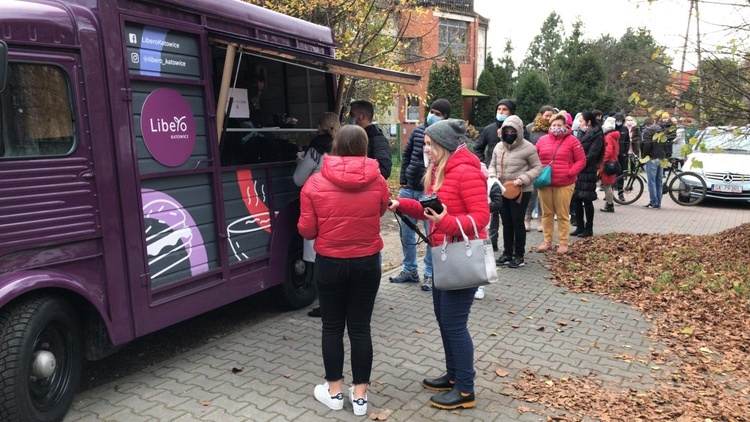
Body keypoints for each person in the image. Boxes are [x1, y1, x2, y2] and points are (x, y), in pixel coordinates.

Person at [388, 118, 489, 410]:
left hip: (461, 256)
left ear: (443, 145)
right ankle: (454, 375)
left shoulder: (466, 172)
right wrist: (400, 205)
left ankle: (466, 390)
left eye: (429, 145)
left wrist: (444, 222)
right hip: (442, 254)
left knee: (455, 325)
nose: (425, 149)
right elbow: (427, 207)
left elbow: (480, 218)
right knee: (445, 321)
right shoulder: (438, 171)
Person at [298, 125, 390, 416]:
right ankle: (360, 397)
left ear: (335, 145)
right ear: (365, 147)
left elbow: (308, 230)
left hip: (330, 262)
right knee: (361, 328)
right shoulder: (378, 181)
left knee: (332, 327)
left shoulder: (313, 183)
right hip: (367, 261)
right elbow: (380, 211)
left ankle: (334, 392)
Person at [390, 99, 451, 289]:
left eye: (438, 113)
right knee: (406, 232)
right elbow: (407, 155)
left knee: (431, 233)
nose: (433, 115)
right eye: (431, 111)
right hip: (410, 187)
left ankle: (430, 274)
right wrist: (403, 180)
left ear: (445, 117)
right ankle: (410, 269)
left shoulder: (445, 137)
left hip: (430, 191)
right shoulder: (417, 131)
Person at [293, 112, 340, 318]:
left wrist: (298, 162)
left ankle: (326, 305)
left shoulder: (315, 150)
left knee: (320, 256)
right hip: (341, 205)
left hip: (319, 206)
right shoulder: (344, 147)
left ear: (320, 126)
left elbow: (298, 179)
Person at [489, 115, 542, 269]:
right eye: (507, 131)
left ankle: (519, 255)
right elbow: (491, 164)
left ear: (518, 131)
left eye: (513, 131)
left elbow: (537, 168)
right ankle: (507, 253)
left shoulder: (528, 147)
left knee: (517, 222)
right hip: (502, 189)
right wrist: (492, 174)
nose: (509, 134)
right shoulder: (499, 147)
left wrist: (523, 179)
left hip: (521, 191)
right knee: (506, 222)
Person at [474, 99, 528, 251]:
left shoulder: (520, 131)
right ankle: (493, 242)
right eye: (499, 109)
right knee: (493, 209)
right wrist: (485, 163)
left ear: (511, 112)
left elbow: (527, 152)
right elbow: (478, 148)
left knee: (511, 217)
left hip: (513, 180)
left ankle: (513, 248)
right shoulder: (489, 129)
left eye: (505, 110)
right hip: (493, 177)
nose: (501, 112)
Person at [535, 113, 586, 254]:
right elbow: (534, 158)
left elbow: (581, 160)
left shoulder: (573, 141)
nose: (556, 128)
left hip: (564, 183)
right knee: (547, 213)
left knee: (563, 214)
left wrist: (569, 172)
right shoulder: (542, 140)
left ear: (565, 126)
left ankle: (563, 242)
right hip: (545, 183)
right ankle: (547, 241)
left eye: (559, 125)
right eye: (553, 125)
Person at [571, 112, 604, 238]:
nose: (580, 124)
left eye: (581, 121)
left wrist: (580, 162)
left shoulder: (597, 135)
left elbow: (593, 154)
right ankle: (579, 226)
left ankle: (588, 228)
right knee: (577, 199)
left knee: (587, 199)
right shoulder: (581, 133)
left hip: (588, 170)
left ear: (589, 122)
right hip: (578, 170)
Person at [524, 105, 555, 231]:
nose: (549, 118)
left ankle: (540, 220)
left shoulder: (553, 128)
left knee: (543, 193)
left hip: (546, 165)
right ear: (540, 115)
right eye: (547, 115)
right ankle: (527, 218)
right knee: (531, 193)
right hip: (531, 164)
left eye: (551, 116)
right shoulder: (530, 128)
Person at [475, 163, 503, 301]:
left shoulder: (492, 184)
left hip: (486, 225)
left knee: (482, 256)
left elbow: (498, 203)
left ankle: (480, 286)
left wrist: (481, 208)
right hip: (470, 226)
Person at [348, 100, 392, 179]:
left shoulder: (378, 140)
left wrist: (358, 175)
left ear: (362, 117)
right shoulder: (352, 137)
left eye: (352, 115)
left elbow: (384, 170)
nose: (349, 118)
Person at [641, 117, 666, 209]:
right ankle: (658, 202)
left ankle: (653, 202)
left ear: (645, 125)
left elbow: (647, 145)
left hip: (652, 157)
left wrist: (644, 156)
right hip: (661, 157)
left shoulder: (647, 132)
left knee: (651, 181)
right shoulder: (661, 130)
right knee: (659, 181)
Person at [599, 117, 620, 213]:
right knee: (609, 185)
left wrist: (602, 160)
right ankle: (609, 204)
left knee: (607, 186)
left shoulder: (608, 137)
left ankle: (610, 204)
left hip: (608, 164)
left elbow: (608, 151)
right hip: (613, 162)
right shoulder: (614, 137)